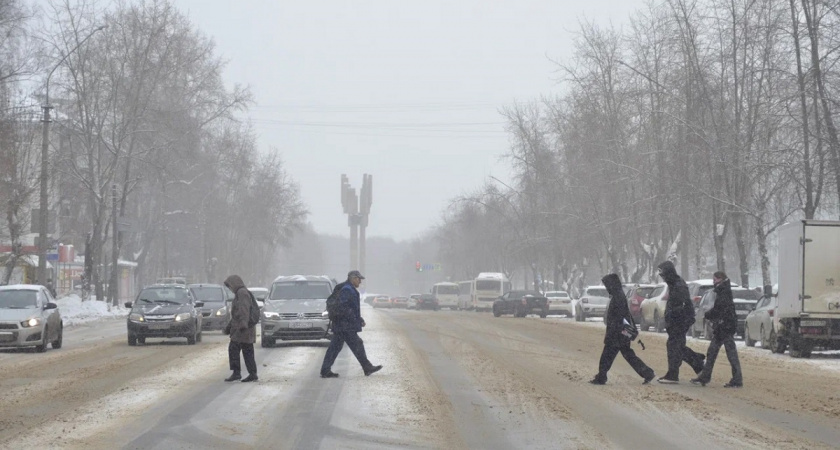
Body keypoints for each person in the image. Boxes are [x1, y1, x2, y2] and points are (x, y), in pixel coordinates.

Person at [589, 273, 655, 385]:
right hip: (620, 333)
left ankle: (602, 376)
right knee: (628, 355)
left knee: (607, 356)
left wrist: (615, 330)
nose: (606, 287)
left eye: (607, 285)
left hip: (617, 333)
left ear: (612, 284)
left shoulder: (618, 297)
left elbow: (619, 317)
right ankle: (647, 373)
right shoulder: (618, 294)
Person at [320, 270, 382, 378]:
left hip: (342, 325)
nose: (360, 282)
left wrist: (359, 318)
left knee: (335, 347)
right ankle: (367, 367)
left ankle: (325, 370)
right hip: (345, 325)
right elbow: (343, 307)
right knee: (357, 344)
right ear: (353, 278)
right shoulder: (347, 290)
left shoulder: (348, 288)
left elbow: (350, 308)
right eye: (359, 279)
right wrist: (354, 318)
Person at [656, 261, 705, 384]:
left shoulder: (678, 285)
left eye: (663, 273)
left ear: (668, 272)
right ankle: (699, 366)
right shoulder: (674, 283)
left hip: (679, 322)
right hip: (677, 321)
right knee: (678, 347)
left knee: (674, 347)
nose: (662, 276)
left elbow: (681, 305)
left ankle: (673, 374)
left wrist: (673, 316)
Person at [691, 271, 743, 388]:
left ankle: (736, 379)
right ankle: (706, 376)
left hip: (724, 326)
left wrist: (709, 314)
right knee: (715, 352)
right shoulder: (723, 290)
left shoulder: (723, 291)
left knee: (726, 353)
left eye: (715, 280)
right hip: (724, 326)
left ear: (721, 279)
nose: (713, 282)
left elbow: (720, 309)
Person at [223, 275, 258, 383]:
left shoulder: (241, 293)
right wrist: (229, 327)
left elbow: (244, 309)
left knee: (235, 348)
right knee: (247, 350)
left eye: (230, 286)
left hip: (243, 328)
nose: (230, 288)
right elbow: (236, 313)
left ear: (234, 283)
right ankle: (251, 374)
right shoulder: (241, 293)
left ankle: (238, 373)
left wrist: (243, 324)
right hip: (243, 327)